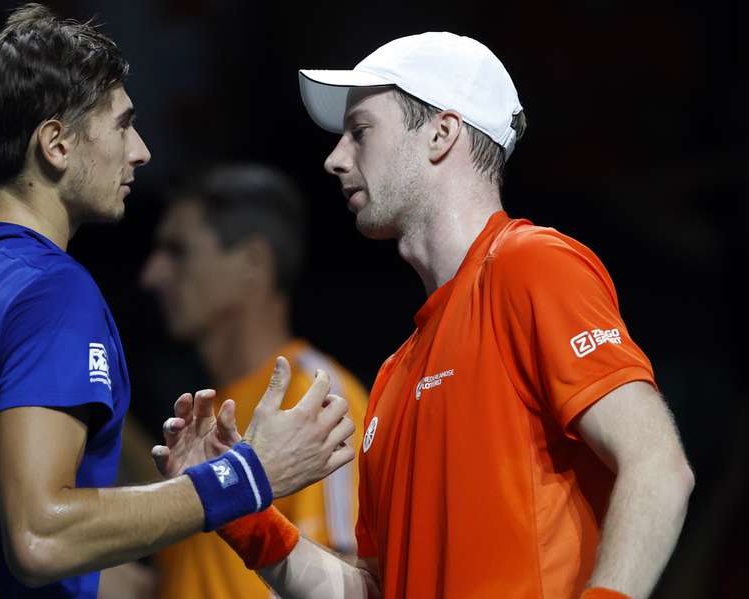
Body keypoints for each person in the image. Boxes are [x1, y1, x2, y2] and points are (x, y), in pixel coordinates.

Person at [154, 32, 695, 599]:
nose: (335, 159)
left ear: (442, 133)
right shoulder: (395, 375)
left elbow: (658, 467)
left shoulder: (530, 265)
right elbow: (374, 588)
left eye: (360, 132)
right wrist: (239, 512)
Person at [0, 5, 354, 598]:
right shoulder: (50, 292)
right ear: (56, 144)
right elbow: (42, 538)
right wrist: (243, 477)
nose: (139, 150)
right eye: (122, 125)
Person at [132, 164, 368, 599]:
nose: (153, 275)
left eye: (178, 250)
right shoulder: (200, 422)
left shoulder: (319, 400)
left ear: (253, 263)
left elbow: (346, 585)